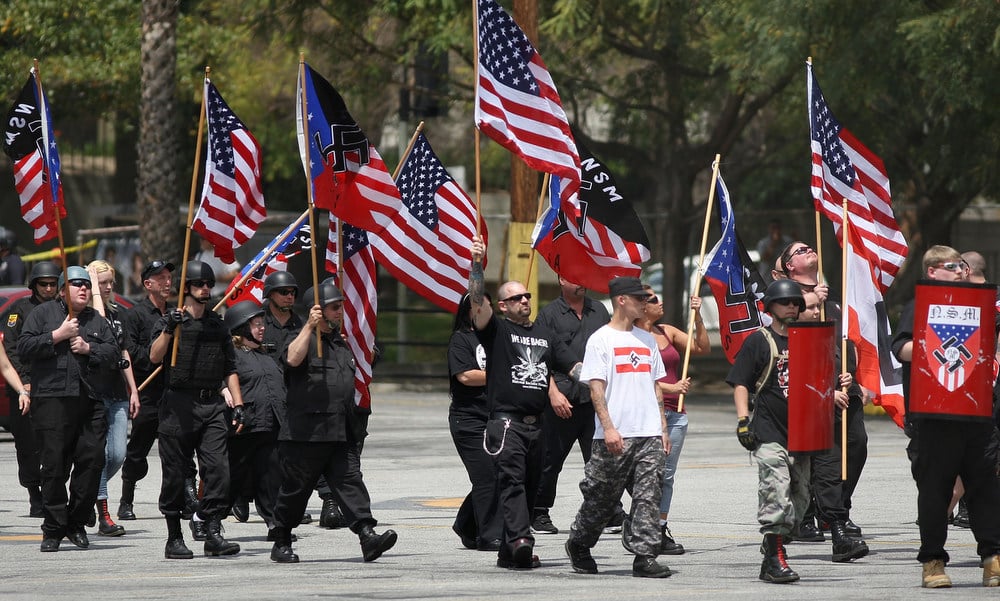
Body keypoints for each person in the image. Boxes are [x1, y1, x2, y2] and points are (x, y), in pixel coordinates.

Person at [726, 279, 857, 583]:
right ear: (770, 306)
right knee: (776, 492)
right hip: (770, 431)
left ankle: (774, 548)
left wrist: (839, 385)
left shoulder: (809, 340)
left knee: (798, 502)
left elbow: (821, 381)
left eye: (796, 303)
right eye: (785, 302)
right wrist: (743, 419)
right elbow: (741, 382)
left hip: (803, 433)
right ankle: (775, 560)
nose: (792, 307)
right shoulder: (760, 341)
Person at [891, 245, 1000, 588]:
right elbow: (902, 348)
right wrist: (931, 345)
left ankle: (993, 557)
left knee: (986, 489)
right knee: (936, 491)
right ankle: (933, 561)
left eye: (964, 266)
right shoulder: (918, 305)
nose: (962, 270)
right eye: (954, 266)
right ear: (933, 272)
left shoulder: (980, 306)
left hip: (978, 414)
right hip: (935, 416)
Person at [268, 281, 397, 564]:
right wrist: (308, 327)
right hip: (306, 434)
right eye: (335, 307)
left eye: (341, 306)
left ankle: (367, 535)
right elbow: (291, 359)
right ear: (318, 310)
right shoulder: (299, 337)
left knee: (350, 482)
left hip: (340, 430)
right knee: (296, 490)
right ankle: (281, 540)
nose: (341, 312)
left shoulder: (341, 342)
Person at [563, 276, 673, 578]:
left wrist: (662, 428)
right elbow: (596, 389)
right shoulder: (601, 339)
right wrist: (609, 428)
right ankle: (580, 543)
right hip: (615, 434)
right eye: (640, 299)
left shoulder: (647, 339)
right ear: (622, 300)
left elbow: (656, 387)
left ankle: (644, 556)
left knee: (649, 495)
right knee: (602, 497)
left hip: (648, 432)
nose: (645, 303)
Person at [468, 235, 557, 570]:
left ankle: (509, 551)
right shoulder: (497, 331)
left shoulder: (544, 333)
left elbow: (570, 364)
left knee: (533, 487)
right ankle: (522, 539)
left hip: (539, 424)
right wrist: (477, 264)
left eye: (527, 295)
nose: (525, 300)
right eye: (516, 297)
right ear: (502, 305)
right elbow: (477, 302)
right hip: (507, 424)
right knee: (512, 481)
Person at [18, 266, 120, 552]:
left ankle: (76, 523)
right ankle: (53, 528)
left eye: (86, 285)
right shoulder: (42, 315)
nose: (83, 289)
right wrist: (57, 335)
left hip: (90, 401)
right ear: (63, 290)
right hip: (53, 401)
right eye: (76, 284)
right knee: (53, 468)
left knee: (91, 464)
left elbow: (113, 352)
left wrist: (90, 349)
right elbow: (24, 348)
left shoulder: (97, 321)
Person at [149, 260, 246, 559]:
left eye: (208, 284)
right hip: (178, 405)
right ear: (186, 289)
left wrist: (239, 404)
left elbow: (230, 368)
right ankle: (174, 537)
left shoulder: (218, 325)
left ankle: (212, 530)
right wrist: (169, 329)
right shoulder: (171, 322)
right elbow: (154, 357)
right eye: (198, 285)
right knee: (176, 474)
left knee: (219, 471)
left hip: (213, 404)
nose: (205, 289)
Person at [774, 241, 869, 543]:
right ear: (789, 265)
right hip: (809, 388)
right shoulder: (786, 293)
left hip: (844, 381)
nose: (809, 251)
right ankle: (808, 514)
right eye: (800, 251)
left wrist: (858, 379)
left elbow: (850, 338)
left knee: (855, 445)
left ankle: (837, 508)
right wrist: (810, 299)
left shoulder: (834, 293)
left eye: (810, 248)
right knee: (814, 454)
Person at [623, 285, 708, 556]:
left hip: (676, 415)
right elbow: (636, 377)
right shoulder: (630, 337)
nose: (661, 303)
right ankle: (638, 522)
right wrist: (672, 388)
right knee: (643, 474)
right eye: (654, 299)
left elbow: (700, 348)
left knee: (666, 476)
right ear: (642, 306)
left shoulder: (666, 331)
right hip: (645, 414)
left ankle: (659, 528)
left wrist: (698, 317)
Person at [118, 260, 199, 522]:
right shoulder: (135, 315)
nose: (167, 282)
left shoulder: (177, 313)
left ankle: (187, 498)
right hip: (148, 391)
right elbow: (136, 354)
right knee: (139, 448)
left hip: (174, 391)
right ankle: (126, 498)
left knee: (181, 447)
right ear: (147, 284)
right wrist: (160, 356)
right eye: (160, 278)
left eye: (169, 277)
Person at [531, 276, 610, 536]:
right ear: (561, 280)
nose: (581, 282)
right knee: (550, 460)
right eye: (574, 278)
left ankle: (608, 510)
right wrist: (552, 394)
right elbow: (539, 360)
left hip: (595, 399)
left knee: (600, 459)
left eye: (582, 277)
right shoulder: (548, 315)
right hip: (562, 399)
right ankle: (539, 512)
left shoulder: (598, 310)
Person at [0, 260, 61, 517]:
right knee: (27, 446)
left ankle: (53, 494)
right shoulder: (19, 310)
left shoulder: (62, 310)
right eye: (43, 284)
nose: (48, 289)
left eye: (52, 284)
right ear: (34, 285)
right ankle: (35, 495)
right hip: (24, 388)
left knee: (56, 446)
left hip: (55, 387)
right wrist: (24, 381)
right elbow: (12, 349)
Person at [86, 260, 141, 537]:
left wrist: (134, 390)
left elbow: (124, 352)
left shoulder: (118, 314)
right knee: (99, 455)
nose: (107, 287)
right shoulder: (88, 313)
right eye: (102, 282)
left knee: (117, 454)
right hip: (94, 393)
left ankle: (85, 491)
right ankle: (103, 514)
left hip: (117, 392)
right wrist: (92, 284)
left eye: (110, 282)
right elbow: (99, 324)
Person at [222, 301, 285, 539]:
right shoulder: (231, 356)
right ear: (240, 328)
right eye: (256, 324)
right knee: (233, 478)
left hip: (270, 425)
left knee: (271, 477)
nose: (261, 329)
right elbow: (218, 375)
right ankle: (209, 518)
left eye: (262, 324)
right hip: (244, 427)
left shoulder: (266, 356)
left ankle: (274, 523)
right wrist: (223, 390)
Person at [448, 292, 502, 552]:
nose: (482, 310)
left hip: (497, 417)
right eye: (477, 306)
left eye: (486, 306)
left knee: (501, 474)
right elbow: (466, 377)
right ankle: (489, 535)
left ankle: (465, 523)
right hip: (468, 418)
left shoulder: (499, 338)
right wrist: (501, 372)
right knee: (486, 477)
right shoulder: (461, 339)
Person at [193, 235, 241, 301]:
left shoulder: (223, 253)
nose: (201, 241)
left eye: (203, 238)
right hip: (206, 298)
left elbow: (235, 274)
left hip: (223, 296)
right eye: (200, 238)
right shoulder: (199, 256)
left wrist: (215, 279)